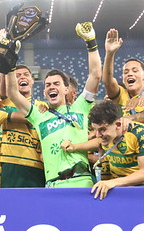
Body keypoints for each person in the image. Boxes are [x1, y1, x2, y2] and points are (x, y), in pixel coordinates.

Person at [6, 22, 103, 188]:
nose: (51, 87)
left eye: (56, 84)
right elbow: (12, 93)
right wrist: (10, 61)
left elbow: (95, 75)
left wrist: (91, 43)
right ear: (44, 92)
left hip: (82, 182)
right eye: (47, 85)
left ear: (66, 89)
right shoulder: (38, 115)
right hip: (53, 186)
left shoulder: (80, 107)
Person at [62, 100, 144, 199]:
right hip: (118, 191)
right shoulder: (107, 137)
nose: (98, 135)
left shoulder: (138, 132)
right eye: (95, 130)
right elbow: (98, 142)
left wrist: (113, 182)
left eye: (102, 130)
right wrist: (75, 147)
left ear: (118, 125)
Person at [0, 63, 46, 188]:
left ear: (32, 80)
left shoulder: (43, 105)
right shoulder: (3, 102)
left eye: (26, 75)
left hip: (37, 164)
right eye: (17, 75)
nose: (22, 77)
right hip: (10, 162)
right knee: (9, 205)